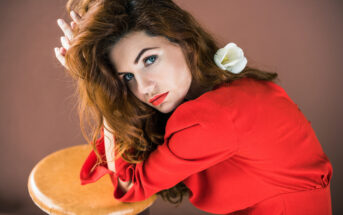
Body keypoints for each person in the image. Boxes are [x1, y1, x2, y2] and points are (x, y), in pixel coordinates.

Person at [55, 0, 333, 214]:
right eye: (127, 77)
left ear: (185, 42)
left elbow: (129, 186)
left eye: (150, 60)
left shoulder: (209, 120)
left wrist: (97, 88)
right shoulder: (230, 87)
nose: (143, 88)